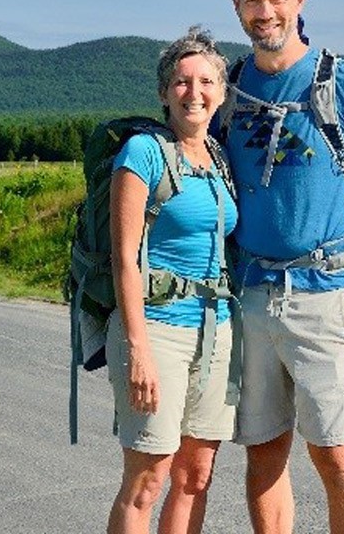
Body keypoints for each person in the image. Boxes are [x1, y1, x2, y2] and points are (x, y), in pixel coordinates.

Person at [220, 0, 344, 534]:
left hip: (326, 293)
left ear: (301, 1)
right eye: (253, 1)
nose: (265, 12)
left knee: (338, 459)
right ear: (237, 9)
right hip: (249, 296)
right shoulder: (227, 86)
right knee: (263, 454)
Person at [106, 27, 239, 534]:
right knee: (148, 479)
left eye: (206, 81)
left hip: (217, 333)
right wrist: (137, 348)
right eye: (182, 81)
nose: (194, 92)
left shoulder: (220, 159)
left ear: (221, 94)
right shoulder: (142, 153)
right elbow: (124, 259)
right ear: (164, 92)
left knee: (196, 475)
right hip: (156, 330)